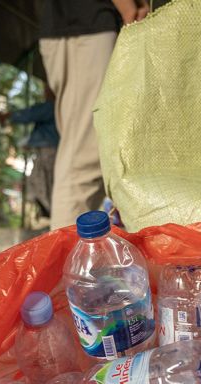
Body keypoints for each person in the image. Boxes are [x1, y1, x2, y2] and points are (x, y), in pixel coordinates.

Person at [39, 0, 149, 230]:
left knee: (89, 153)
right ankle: (63, 259)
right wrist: (129, 8)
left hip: (79, 29)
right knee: (84, 156)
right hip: (84, 27)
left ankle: (72, 256)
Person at [0, 86, 59, 222]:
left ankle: (48, 211)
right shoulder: (58, 107)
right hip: (48, 150)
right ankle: (47, 210)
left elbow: (30, 114)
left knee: (41, 180)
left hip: (48, 151)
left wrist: (9, 116)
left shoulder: (50, 107)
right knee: (41, 180)